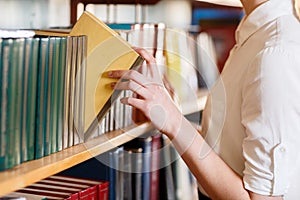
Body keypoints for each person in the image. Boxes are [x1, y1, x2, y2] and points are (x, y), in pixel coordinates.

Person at [107, 0, 300, 199]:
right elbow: (231, 146)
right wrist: (167, 111)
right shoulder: (258, 36)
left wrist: (174, 122)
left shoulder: (275, 52)